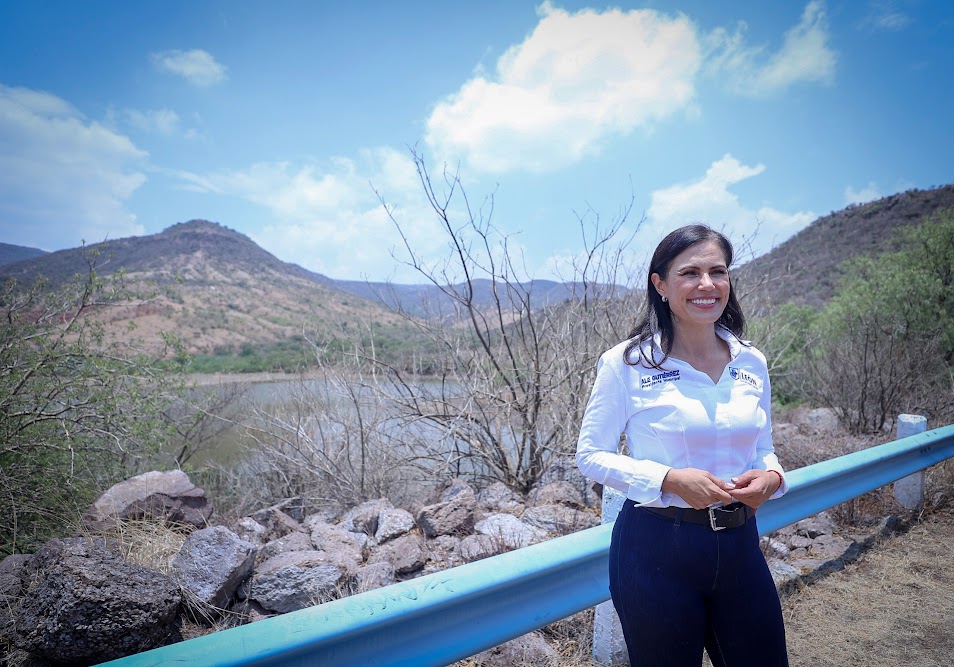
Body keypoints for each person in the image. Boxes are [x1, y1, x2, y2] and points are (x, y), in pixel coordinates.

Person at [576, 224, 789, 667]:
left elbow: (762, 446)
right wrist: (669, 479)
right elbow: (590, 454)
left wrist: (771, 476)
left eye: (718, 271)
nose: (707, 285)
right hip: (654, 550)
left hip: (739, 545)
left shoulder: (751, 361)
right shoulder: (627, 363)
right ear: (660, 284)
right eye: (690, 273)